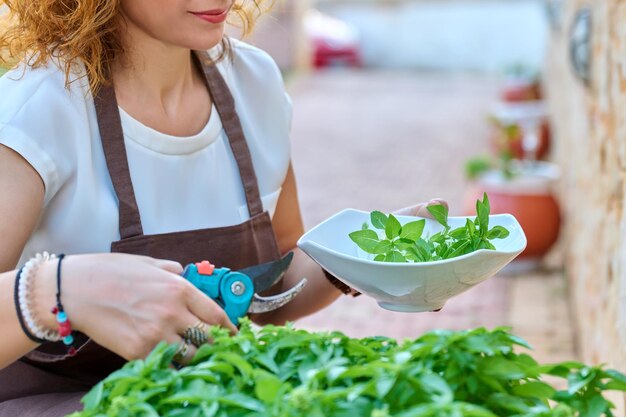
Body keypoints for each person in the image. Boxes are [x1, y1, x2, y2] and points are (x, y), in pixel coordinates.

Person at [0, 0, 444, 415]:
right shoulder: (37, 109)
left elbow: (275, 282)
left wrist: (363, 254)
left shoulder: (254, 84)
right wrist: (55, 290)